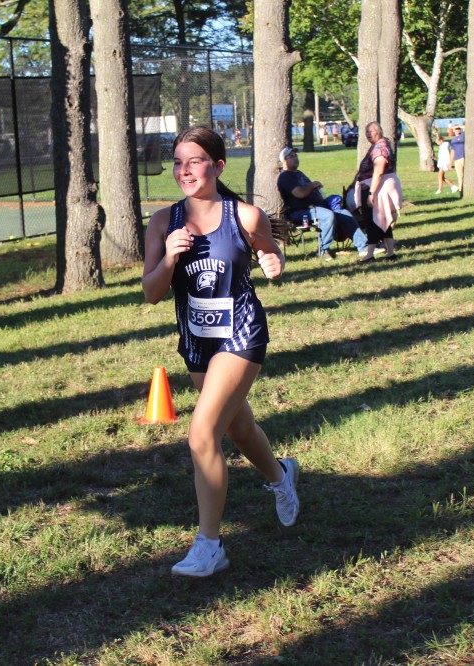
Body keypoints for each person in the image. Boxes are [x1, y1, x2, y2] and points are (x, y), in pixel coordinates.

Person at [142, 126, 300, 578]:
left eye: (195, 161)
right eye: (178, 162)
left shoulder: (245, 216)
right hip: (197, 340)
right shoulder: (162, 222)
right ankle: (281, 476)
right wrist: (169, 258)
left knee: (201, 434)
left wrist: (275, 262)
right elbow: (151, 293)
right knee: (239, 427)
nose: (184, 170)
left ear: (217, 166)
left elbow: (271, 255)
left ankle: (209, 545)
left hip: (241, 335)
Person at [277, 146, 365, 261]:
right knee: (328, 215)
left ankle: (364, 247)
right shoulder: (285, 176)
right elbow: (300, 193)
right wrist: (313, 185)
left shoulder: (298, 173)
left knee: (345, 213)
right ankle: (323, 250)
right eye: (291, 156)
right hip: (300, 212)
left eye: (296, 155)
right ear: (284, 160)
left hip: (317, 208)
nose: (295, 158)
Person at [348, 121, 401, 261]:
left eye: (370, 131)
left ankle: (370, 254)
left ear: (378, 132)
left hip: (375, 188)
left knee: (372, 220)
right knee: (382, 218)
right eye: (366, 132)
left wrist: (371, 193)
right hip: (373, 186)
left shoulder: (379, 148)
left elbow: (378, 171)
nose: (367, 134)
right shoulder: (379, 146)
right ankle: (390, 253)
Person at [449, 124, 465, 192]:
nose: (457, 130)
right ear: (453, 130)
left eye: (458, 129)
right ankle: (461, 189)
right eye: (456, 129)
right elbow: (452, 152)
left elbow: (467, 128)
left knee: (465, 174)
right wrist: (450, 162)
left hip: (463, 157)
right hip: (457, 159)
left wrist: (459, 126)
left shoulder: (463, 136)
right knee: (459, 175)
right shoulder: (453, 140)